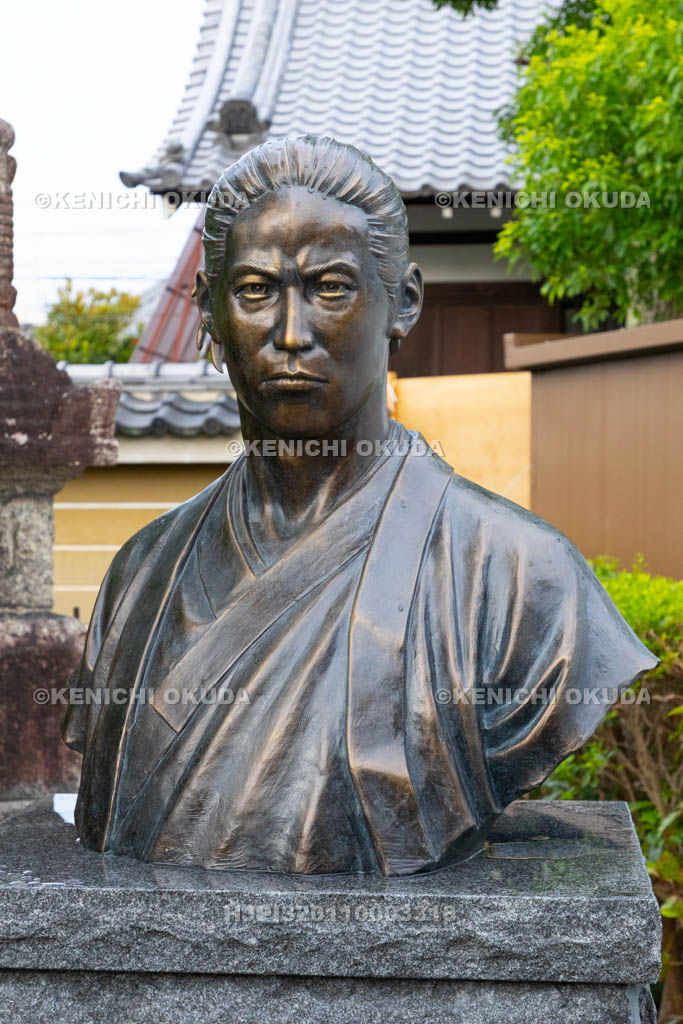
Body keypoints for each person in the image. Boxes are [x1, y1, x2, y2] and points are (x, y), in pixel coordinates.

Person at [62, 135, 656, 876]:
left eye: (330, 287)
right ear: (210, 320)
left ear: (401, 302)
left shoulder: (523, 580)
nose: (289, 334)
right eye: (253, 291)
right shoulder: (141, 576)